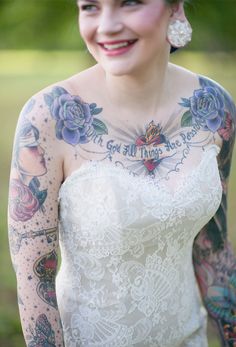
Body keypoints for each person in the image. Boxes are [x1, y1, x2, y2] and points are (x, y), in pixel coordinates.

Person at [8, 0, 236, 346]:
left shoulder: (214, 108)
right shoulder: (48, 118)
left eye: (129, 2)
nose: (107, 26)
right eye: (90, 7)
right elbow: (34, 280)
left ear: (175, 8)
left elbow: (213, 251)